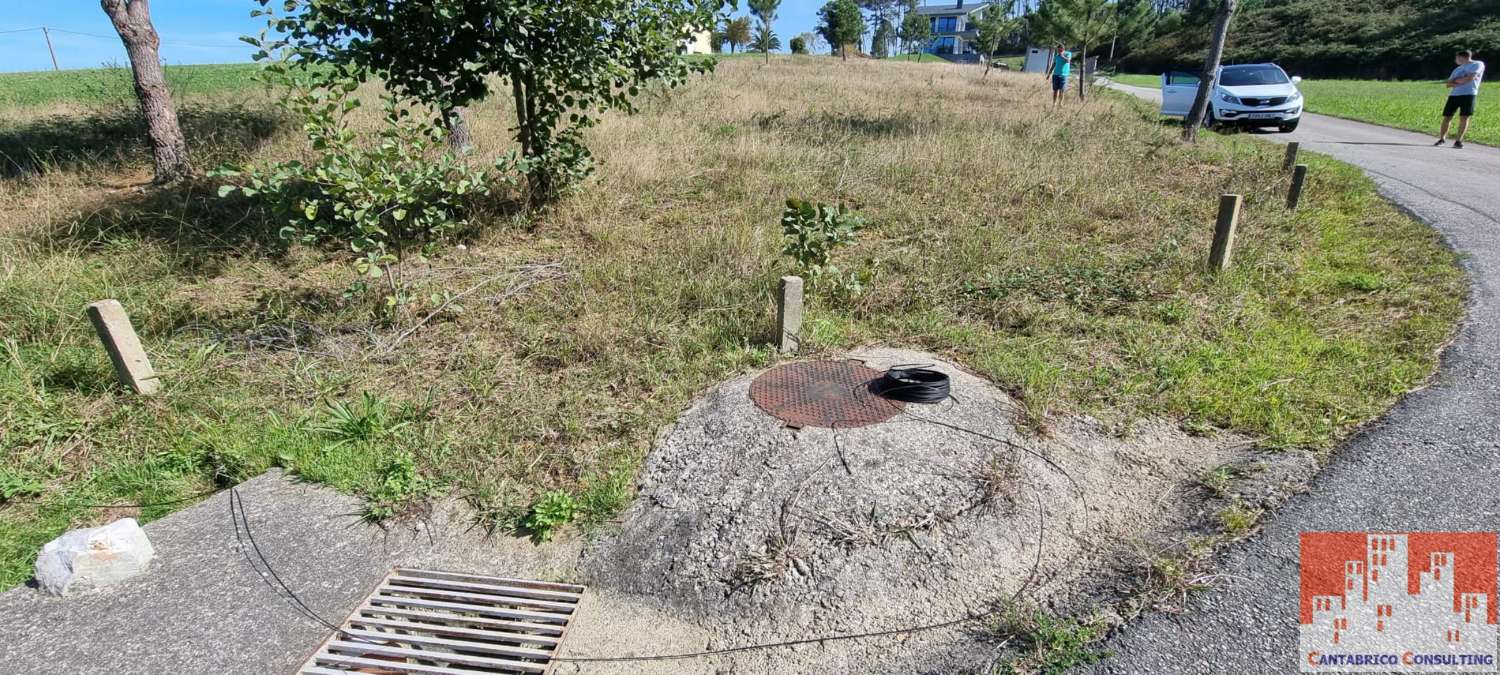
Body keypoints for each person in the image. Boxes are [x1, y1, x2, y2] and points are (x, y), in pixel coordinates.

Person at [1435, 49, 1485, 149]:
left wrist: (1457, 81)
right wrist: (1461, 80)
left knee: (1464, 117)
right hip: (1454, 95)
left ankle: (1458, 141)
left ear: (1463, 57)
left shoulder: (1478, 64)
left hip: (1469, 94)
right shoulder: (1457, 69)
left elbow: (1470, 78)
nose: (1456, 60)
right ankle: (1442, 138)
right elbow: (1448, 84)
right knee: (1447, 117)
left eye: (1457, 57)